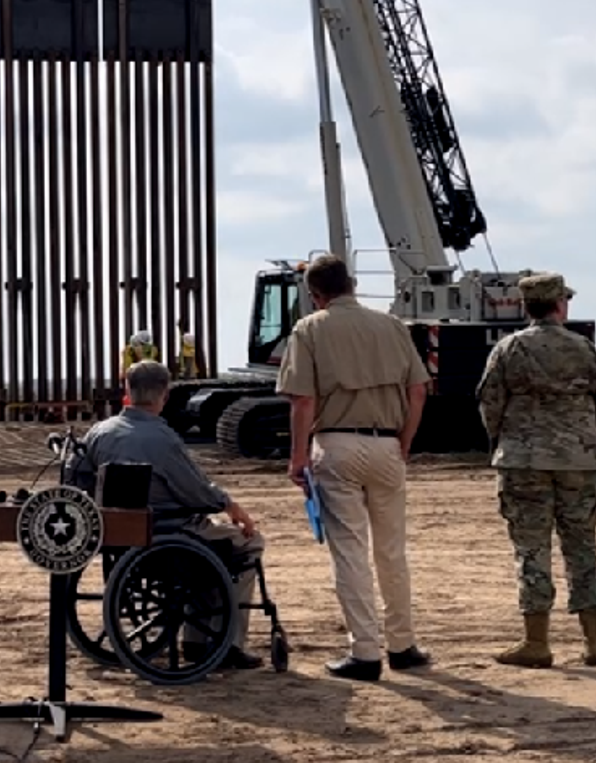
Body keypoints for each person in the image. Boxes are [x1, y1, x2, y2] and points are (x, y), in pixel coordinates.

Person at [276, 253, 433, 681]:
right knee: (392, 550)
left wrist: (298, 456)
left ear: (315, 295)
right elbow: (418, 391)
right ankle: (403, 645)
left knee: (350, 552)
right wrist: (402, 444)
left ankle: (365, 651)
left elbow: (303, 400)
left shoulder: (309, 330)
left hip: (338, 443)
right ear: (353, 284)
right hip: (387, 445)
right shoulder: (392, 326)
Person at [67, 359, 265, 670]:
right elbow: (196, 491)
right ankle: (220, 642)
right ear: (164, 394)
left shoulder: (99, 433)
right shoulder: (163, 439)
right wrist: (230, 506)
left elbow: (77, 480)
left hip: (119, 538)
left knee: (204, 546)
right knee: (247, 544)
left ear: (127, 392)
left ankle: (197, 639)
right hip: (169, 533)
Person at [477, 272, 596, 668]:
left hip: (524, 462)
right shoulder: (584, 349)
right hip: (579, 461)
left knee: (531, 549)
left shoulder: (509, 349)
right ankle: (595, 643)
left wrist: (505, 441)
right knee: (582, 547)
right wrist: (588, 442)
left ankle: (536, 641)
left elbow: (490, 403)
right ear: (560, 304)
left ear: (526, 307)